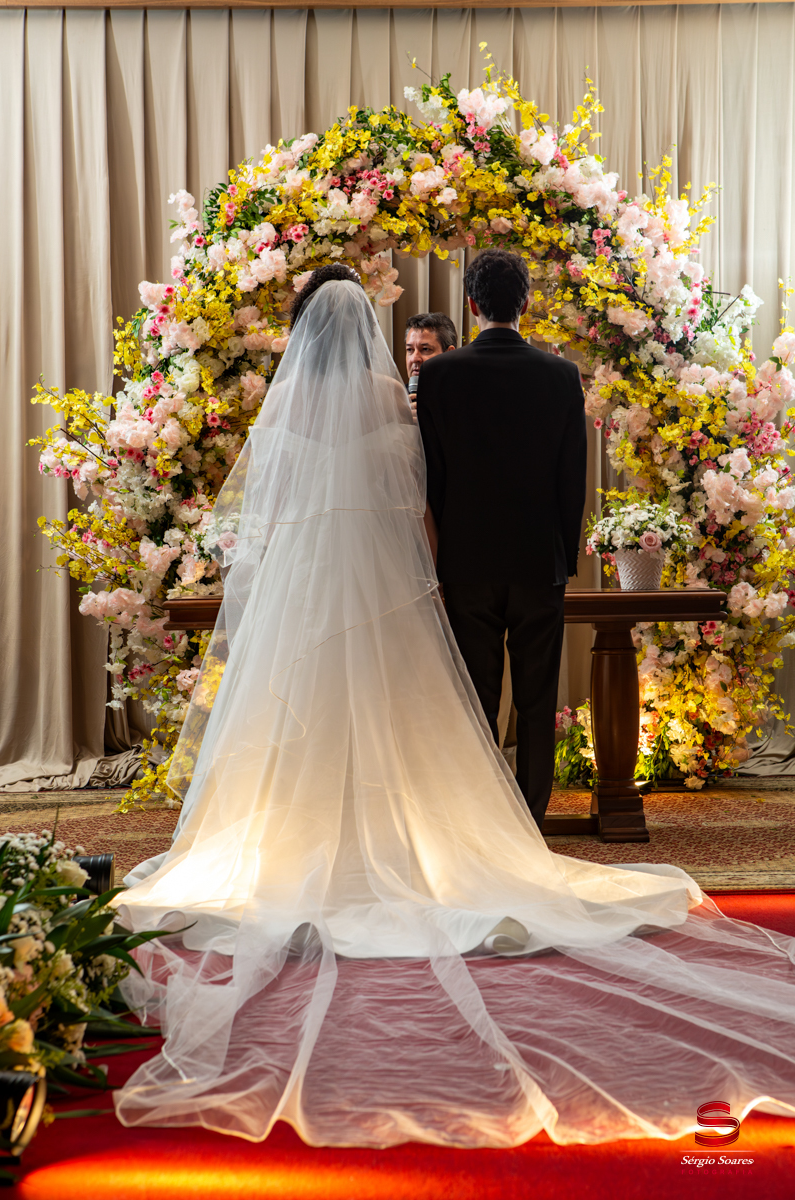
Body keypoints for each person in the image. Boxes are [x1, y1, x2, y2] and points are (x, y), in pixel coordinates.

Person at [113, 266, 795, 1150]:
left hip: (322, 586)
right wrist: (481, 560)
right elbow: (435, 492)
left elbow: (294, 511)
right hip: (448, 572)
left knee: (344, 707)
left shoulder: (352, 395)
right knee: (473, 708)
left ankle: (301, 833)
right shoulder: (434, 390)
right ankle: (508, 828)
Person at [417, 249, 586, 829]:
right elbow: (572, 477)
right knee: (537, 702)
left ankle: (481, 823)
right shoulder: (561, 375)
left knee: (475, 700)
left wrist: (440, 555)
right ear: (527, 303)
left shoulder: (439, 374)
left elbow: (430, 475)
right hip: (540, 561)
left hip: (465, 562)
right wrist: (564, 554)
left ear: (471, 305)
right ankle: (531, 822)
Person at [404, 312, 458, 420]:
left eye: (425, 349)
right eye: (410, 350)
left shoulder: (463, 399)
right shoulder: (395, 398)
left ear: (449, 354)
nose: (414, 358)